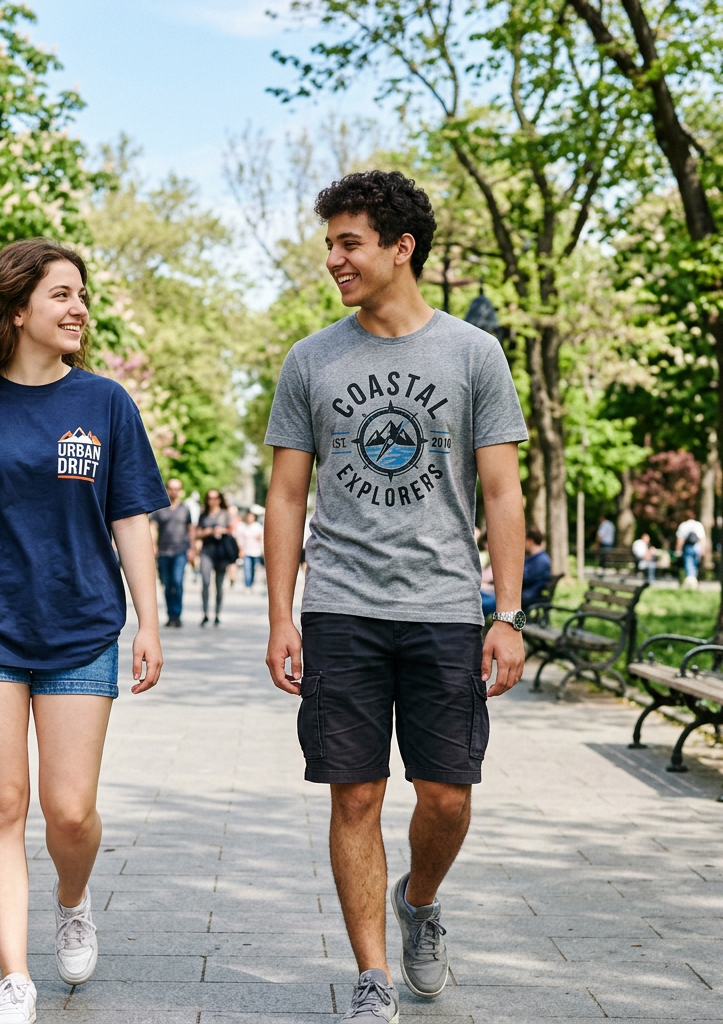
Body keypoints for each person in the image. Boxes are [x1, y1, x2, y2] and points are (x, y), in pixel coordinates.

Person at [263, 170, 528, 1023]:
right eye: (330, 242)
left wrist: (509, 615)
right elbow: (286, 497)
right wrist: (279, 615)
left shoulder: (473, 354)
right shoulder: (311, 359)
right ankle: (371, 975)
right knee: (356, 794)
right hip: (341, 604)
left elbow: (501, 494)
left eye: (350, 242)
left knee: (448, 795)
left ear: (400, 247)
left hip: (447, 605)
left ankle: (419, 898)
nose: (333, 258)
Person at [0, 238, 168, 1024]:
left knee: (69, 810)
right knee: (2, 801)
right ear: (18, 310)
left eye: (81, 294)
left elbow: (132, 518)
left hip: (82, 629)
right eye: (60, 294)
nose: (78, 307)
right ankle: (14, 979)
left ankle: (73, 899)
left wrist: (148, 621)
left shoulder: (106, 403)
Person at [149, 477, 195, 627]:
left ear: (180, 491)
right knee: (167, 584)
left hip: (180, 551)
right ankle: (170, 615)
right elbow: (153, 528)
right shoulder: (160, 508)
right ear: (167, 489)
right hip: (163, 551)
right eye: (171, 488)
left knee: (177, 582)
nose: (174, 491)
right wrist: (153, 546)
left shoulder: (185, 509)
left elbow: (190, 529)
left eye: (177, 488)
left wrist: (193, 549)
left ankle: (177, 614)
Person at [196, 490, 232, 626]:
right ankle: (205, 613)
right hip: (206, 551)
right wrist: (208, 532)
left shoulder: (225, 514)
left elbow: (232, 530)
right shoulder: (203, 514)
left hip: (221, 552)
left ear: (220, 499)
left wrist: (222, 531)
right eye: (210, 498)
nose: (213, 500)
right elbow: (197, 533)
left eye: (216, 498)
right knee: (205, 582)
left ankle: (217, 614)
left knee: (219, 585)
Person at [521, 527, 552, 609]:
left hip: (528, 596)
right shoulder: (532, 558)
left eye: (524, 540)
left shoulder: (541, 560)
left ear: (530, 541)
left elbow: (524, 579)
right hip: (524, 594)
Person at [234, 510, 264, 589]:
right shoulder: (241, 526)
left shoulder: (258, 526)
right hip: (246, 551)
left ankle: (251, 583)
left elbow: (263, 538)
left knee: (253, 569)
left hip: (256, 551)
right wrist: (240, 549)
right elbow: (238, 538)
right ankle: (247, 585)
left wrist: (259, 539)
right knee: (247, 568)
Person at [675, 511, 706, 588]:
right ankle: (694, 580)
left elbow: (680, 539)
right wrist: (703, 549)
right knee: (695, 564)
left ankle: (691, 582)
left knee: (689, 563)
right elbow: (702, 539)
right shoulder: (698, 525)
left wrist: (678, 549)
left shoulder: (683, 525)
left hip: (688, 547)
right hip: (697, 547)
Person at [479, 534, 496, 618]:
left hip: (494, 597)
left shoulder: (497, 561)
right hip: (489, 593)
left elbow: (483, 577)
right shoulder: (490, 559)